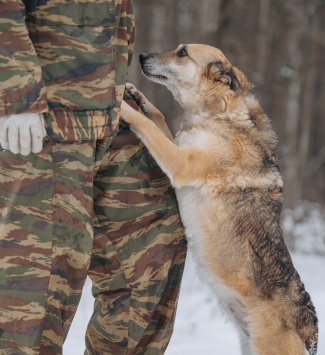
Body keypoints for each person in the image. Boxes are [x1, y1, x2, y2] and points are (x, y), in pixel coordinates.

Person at [0, 1, 187, 354]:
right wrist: (14, 91)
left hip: (104, 107)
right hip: (34, 119)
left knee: (151, 257)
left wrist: (110, 86)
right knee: (37, 293)